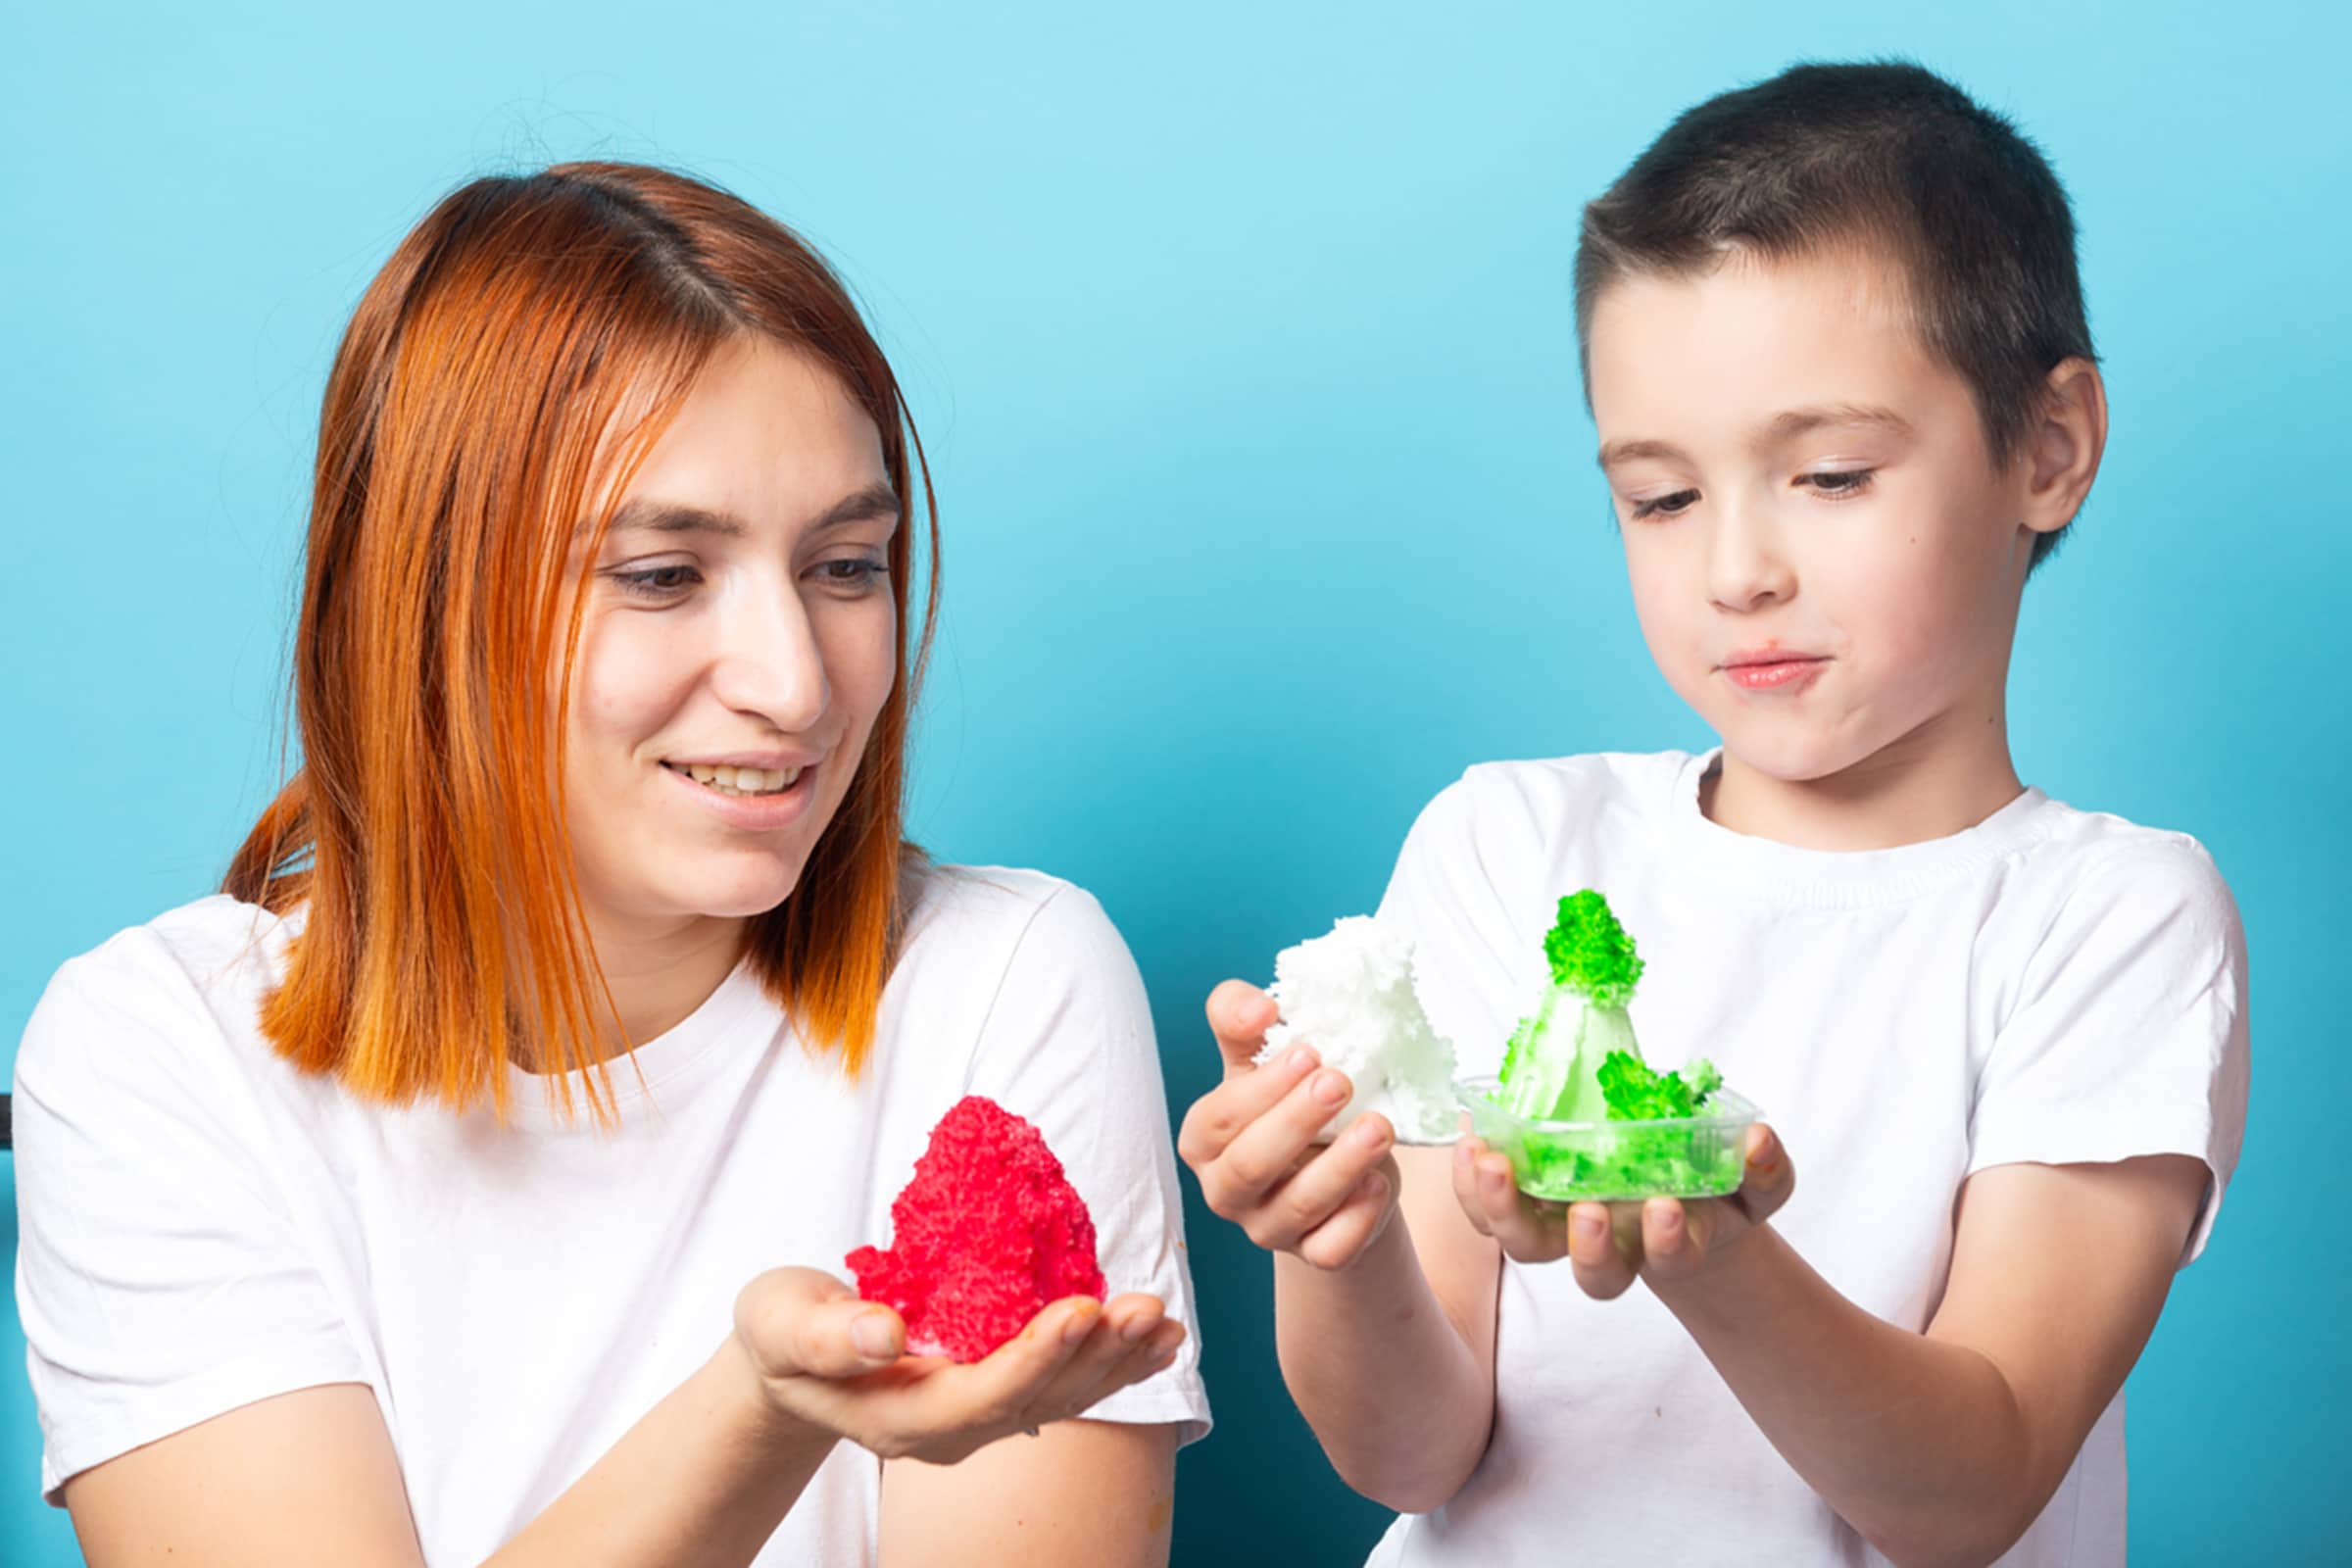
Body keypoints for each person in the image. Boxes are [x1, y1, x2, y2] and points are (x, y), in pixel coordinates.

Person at [14, 162, 1206, 1567]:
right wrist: (757, 1410)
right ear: (427, 603)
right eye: (660, 576)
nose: (794, 686)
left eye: (846, 565)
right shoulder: (158, 1055)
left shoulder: (1007, 981)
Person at [1179, 61, 2246, 1567]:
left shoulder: (2110, 916)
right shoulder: (1507, 847)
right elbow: (1412, 1452)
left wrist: (1705, 1245)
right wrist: (1332, 1246)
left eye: (1826, 473)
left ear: (2049, 449)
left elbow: (1972, 1488)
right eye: (1662, 499)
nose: (1736, 569)